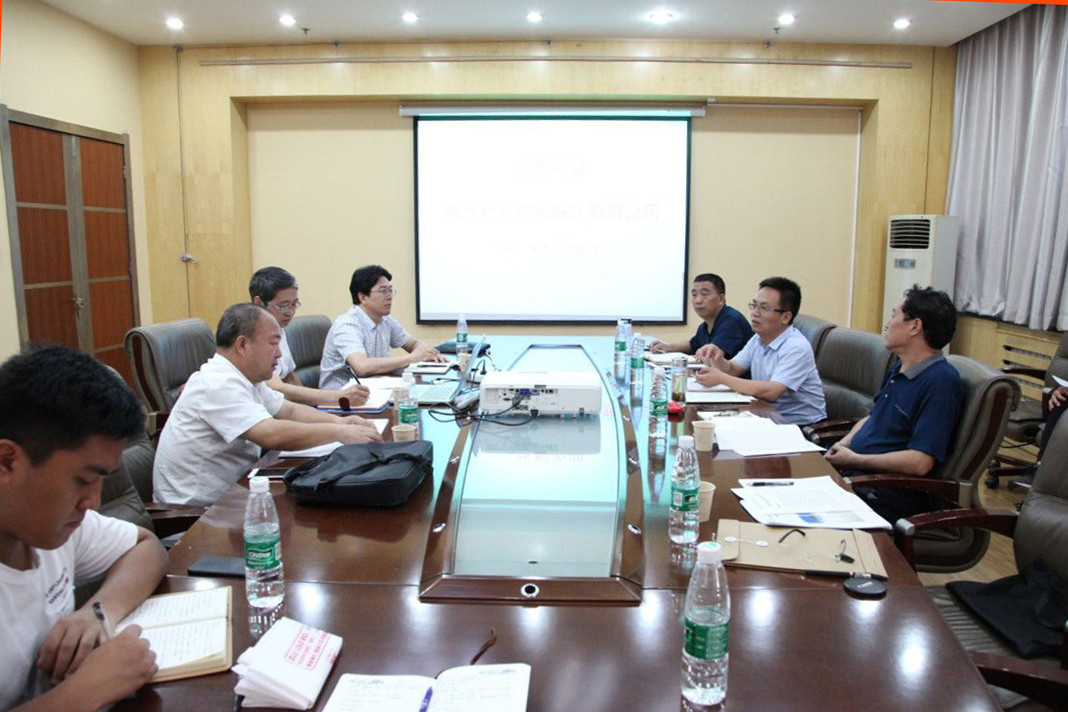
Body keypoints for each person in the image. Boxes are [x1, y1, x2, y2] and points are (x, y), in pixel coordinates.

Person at [0, 346, 168, 711]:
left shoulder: (48, 525)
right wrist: (86, 690)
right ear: (7, 461)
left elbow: (146, 547)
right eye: (82, 479)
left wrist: (97, 613)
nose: (93, 501)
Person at [154, 303, 382, 506]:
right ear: (243, 345)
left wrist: (342, 422)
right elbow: (270, 434)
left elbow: (288, 410)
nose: (280, 353)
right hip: (200, 516)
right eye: (273, 343)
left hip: (239, 493)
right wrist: (339, 432)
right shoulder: (218, 383)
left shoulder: (244, 377)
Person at [824, 286, 964, 522]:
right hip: (854, 474)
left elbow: (920, 462)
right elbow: (873, 416)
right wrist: (844, 443)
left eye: (893, 315)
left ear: (915, 326)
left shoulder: (941, 382)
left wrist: (855, 459)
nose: (887, 324)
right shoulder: (900, 366)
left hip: (882, 493)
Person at [694, 276, 826, 426]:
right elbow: (732, 369)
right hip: (765, 415)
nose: (754, 313)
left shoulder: (796, 347)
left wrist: (722, 378)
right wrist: (717, 357)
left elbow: (772, 392)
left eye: (764, 308)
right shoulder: (758, 338)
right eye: (754, 305)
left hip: (800, 426)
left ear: (785, 317)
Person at [249, 266, 370, 408]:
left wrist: (314, 409)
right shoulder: (252, 337)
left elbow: (290, 376)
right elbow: (277, 387)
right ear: (259, 303)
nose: (290, 312)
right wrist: (336, 397)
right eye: (284, 306)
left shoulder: (278, 328)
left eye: (294, 304)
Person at [319, 265, 445, 387]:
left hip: (374, 387)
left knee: (424, 388)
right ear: (363, 298)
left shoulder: (385, 320)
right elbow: (362, 367)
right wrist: (412, 358)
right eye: (383, 291)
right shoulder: (347, 324)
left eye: (390, 290)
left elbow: (413, 344)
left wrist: (428, 353)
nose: (389, 296)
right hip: (341, 395)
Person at [649, 273, 753, 359]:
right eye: (694, 295)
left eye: (704, 294)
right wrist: (667, 347)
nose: (698, 300)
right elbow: (692, 345)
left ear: (721, 299)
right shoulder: (705, 326)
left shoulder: (731, 321)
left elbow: (711, 357)